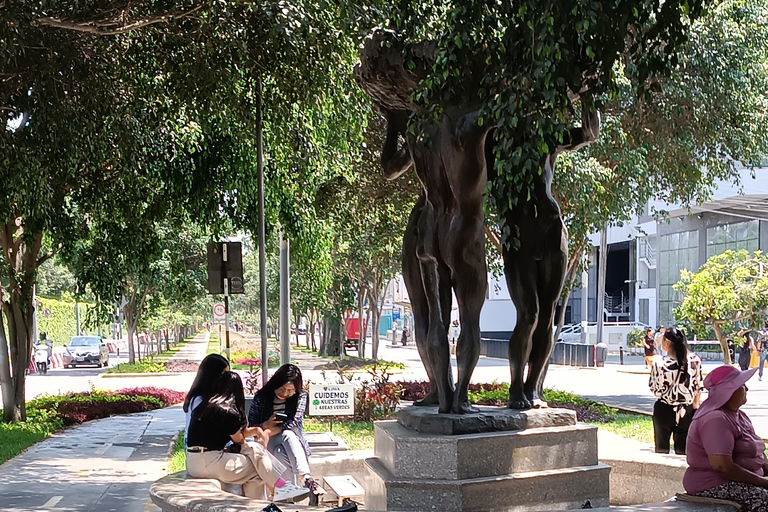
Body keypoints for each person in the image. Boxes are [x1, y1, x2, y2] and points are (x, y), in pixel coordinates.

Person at [186, 371, 309, 502]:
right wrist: (256, 449)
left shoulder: (205, 406)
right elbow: (239, 440)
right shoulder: (228, 411)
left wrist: (256, 431)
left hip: (194, 461)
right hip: (211, 461)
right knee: (257, 469)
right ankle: (278, 491)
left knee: (256, 461)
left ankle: (278, 491)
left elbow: (235, 434)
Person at [683, 365, 768, 511]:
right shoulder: (715, 419)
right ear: (729, 391)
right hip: (715, 485)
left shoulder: (740, 416)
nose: (746, 389)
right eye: (742, 385)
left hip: (745, 482)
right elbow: (722, 466)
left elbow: (758, 454)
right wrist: (761, 482)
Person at [247, 364, 319, 497]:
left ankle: (301, 482)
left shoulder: (301, 396)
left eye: (290, 390)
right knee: (281, 445)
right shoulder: (262, 397)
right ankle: (297, 485)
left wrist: (268, 431)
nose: (285, 394)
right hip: (266, 442)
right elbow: (251, 425)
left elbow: (294, 422)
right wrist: (265, 425)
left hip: (290, 442)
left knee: (286, 439)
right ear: (275, 383)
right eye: (281, 389)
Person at [649, 327, 703, 455]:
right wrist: (694, 406)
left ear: (667, 342)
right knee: (684, 453)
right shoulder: (694, 361)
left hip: (664, 410)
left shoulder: (659, 362)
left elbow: (656, 390)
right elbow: (698, 386)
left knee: (661, 451)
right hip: (687, 410)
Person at [183, 354, 229, 444]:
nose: (228, 379)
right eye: (224, 374)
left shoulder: (210, 397)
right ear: (213, 376)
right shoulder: (198, 400)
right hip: (200, 447)